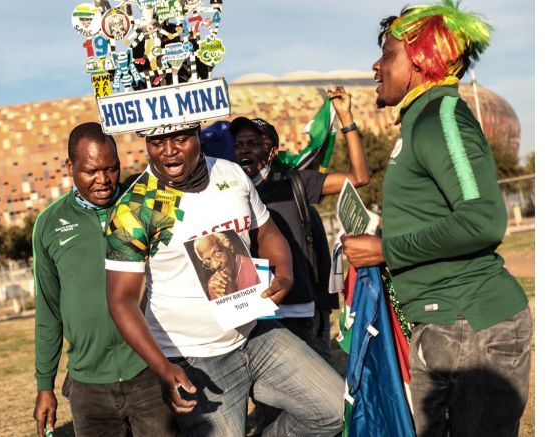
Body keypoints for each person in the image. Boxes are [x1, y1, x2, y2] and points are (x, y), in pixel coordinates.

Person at [341, 3, 531, 436]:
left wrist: (385, 249)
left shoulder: (441, 120)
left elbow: (482, 219)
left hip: (471, 327)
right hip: (446, 326)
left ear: (421, 59)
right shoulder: (419, 122)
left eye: (388, 53)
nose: (376, 64)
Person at [104, 124, 345, 436]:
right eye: (157, 141)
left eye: (179, 138)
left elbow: (267, 230)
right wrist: (162, 368)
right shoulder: (135, 208)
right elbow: (121, 300)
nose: (169, 150)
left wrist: (284, 273)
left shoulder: (230, 173)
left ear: (197, 136)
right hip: (194, 357)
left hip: (256, 332)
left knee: (335, 410)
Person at [32, 122, 177, 437]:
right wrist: (45, 386)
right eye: (91, 171)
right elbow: (48, 310)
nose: (103, 180)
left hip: (150, 371)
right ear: (70, 167)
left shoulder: (145, 203)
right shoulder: (49, 224)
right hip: (88, 386)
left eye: (112, 169)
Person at [229, 86, 369, 357]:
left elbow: (359, 177)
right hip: (255, 314)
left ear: (272, 151)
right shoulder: (231, 191)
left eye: (254, 143)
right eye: (240, 144)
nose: (244, 149)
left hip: (300, 312)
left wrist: (346, 119)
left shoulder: (296, 182)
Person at [193, 232, 259, 299]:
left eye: (217, 254)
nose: (215, 266)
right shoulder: (214, 283)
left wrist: (231, 295)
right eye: (208, 261)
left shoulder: (258, 267)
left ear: (230, 247)